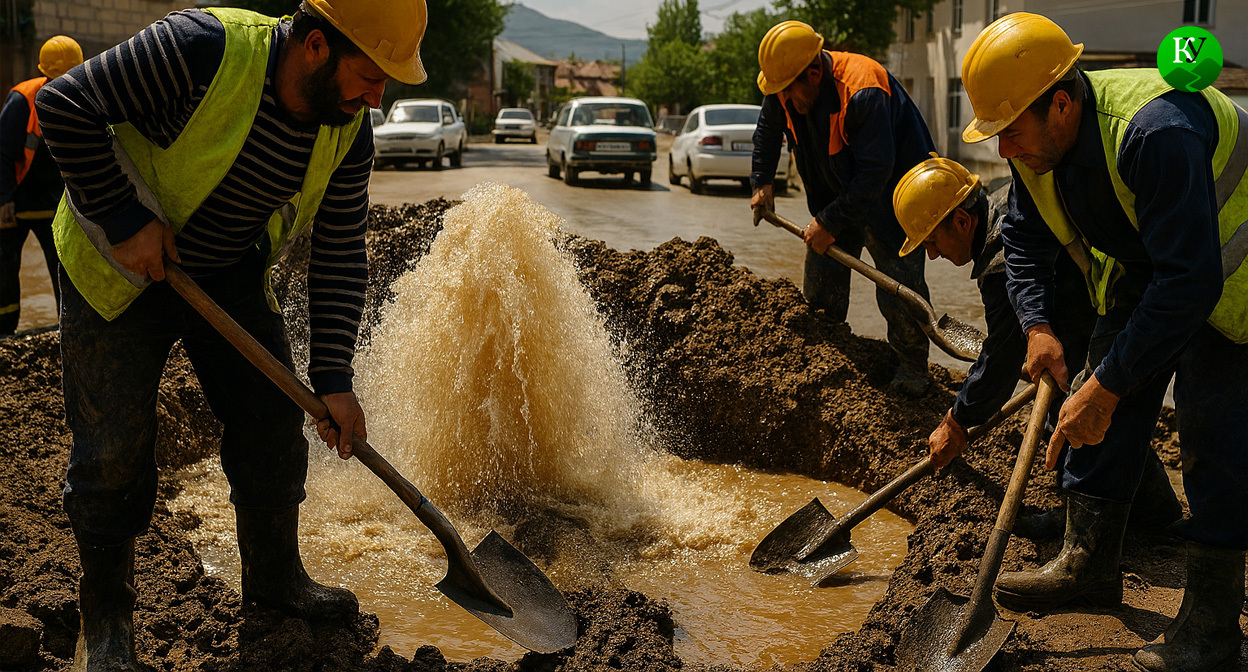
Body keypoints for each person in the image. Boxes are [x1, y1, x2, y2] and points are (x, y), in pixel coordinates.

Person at [36, 1, 427, 669]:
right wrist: (126, 220)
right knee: (111, 451)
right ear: (314, 47)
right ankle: (107, 624)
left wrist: (333, 381)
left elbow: (338, 251)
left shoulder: (347, 131)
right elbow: (65, 106)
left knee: (274, 424)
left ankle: (275, 582)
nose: (377, 96)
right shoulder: (201, 49)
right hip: (116, 263)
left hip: (223, 269)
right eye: (369, 75)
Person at [960, 12, 1248, 671]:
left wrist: (1109, 385)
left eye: (1010, 130)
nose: (1002, 150)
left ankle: (1211, 629)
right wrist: (1037, 326)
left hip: (1233, 275)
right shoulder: (1039, 148)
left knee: (1215, 437)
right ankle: (1088, 565)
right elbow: (1025, 242)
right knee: (1096, 411)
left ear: (1061, 103)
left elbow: (1191, 281)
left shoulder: (1156, 130)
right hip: (1152, 267)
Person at [893, 154, 1179, 535]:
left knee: (1068, 412)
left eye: (932, 242)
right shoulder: (1003, 197)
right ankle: (1157, 513)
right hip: (1112, 301)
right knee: (1114, 415)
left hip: (1092, 319)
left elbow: (1000, 358)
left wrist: (957, 420)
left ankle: (1082, 523)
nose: (932, 255)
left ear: (962, 222)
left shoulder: (1001, 262)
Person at [749, 20, 937, 396]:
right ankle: (823, 355)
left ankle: (913, 371)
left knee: (898, 285)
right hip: (836, 193)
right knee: (822, 270)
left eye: (788, 94)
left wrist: (830, 221)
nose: (783, 101)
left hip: (894, 197)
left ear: (814, 73)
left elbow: (874, 173)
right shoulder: (782, 89)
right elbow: (768, 132)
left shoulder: (862, 90)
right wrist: (761, 182)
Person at [0, 35, 82, 335]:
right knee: (4, 269)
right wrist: (3, 199)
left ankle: (69, 328)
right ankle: (4, 334)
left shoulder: (78, 96)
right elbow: (3, 152)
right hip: (18, 200)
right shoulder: (23, 98)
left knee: (65, 269)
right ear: (45, 73)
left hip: (53, 202)